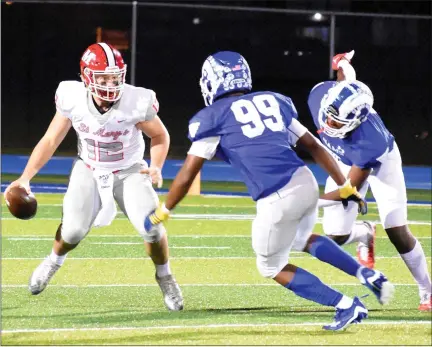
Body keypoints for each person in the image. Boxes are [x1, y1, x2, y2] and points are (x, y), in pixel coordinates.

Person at [144, 51, 395, 330]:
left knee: (272, 267)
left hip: (277, 196)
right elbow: (313, 145)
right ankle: (367, 274)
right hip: (305, 181)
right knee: (301, 239)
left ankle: (346, 305)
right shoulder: (273, 101)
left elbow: (188, 173)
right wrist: (344, 184)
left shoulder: (212, 118)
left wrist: (164, 210)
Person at [4, 42, 183, 311]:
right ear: (87, 76)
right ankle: (53, 260)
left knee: (153, 227)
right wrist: (25, 178)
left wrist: (157, 165)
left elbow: (160, 135)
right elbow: (51, 139)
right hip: (89, 167)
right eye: (103, 77)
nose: (111, 84)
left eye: (115, 77)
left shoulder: (136, 101)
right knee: (73, 231)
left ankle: (165, 275)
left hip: (129, 170)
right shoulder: (72, 96)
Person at [307, 50, 431, 312]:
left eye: (336, 121)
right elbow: (347, 79)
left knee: (396, 228)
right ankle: (364, 233)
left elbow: (348, 190)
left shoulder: (370, 142)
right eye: (328, 115)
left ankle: (427, 290)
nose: (327, 122)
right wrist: (342, 62)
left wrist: (309, 201)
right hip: (343, 159)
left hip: (381, 163)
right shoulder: (320, 95)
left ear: (356, 120)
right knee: (336, 236)